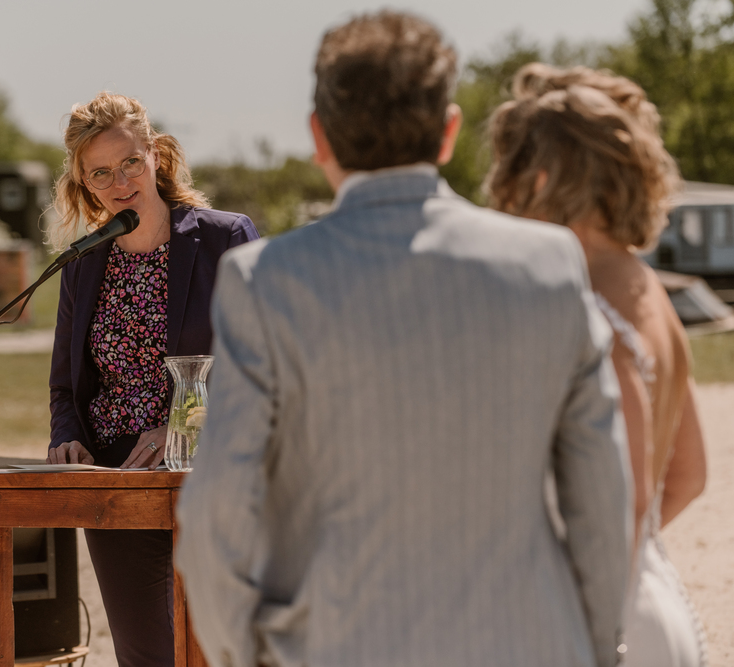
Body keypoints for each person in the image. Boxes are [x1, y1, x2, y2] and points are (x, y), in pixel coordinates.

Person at [175, 11, 632, 667]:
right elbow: (601, 501)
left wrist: (245, 653)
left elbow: (217, 516)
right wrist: (598, 647)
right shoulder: (549, 264)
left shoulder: (265, 281)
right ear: (449, 131)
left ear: (318, 135)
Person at [485, 63, 709, 667]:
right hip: (654, 602)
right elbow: (688, 475)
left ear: (538, 179)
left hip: (600, 624)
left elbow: (625, 498)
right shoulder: (648, 288)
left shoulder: (587, 307)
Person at [45, 91, 259, 667]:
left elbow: (265, 363)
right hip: (114, 483)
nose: (120, 182)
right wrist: (67, 438)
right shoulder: (82, 264)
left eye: (130, 163)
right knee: (146, 654)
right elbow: (65, 386)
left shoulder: (225, 239)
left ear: (156, 156)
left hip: (211, 476)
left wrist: (183, 429)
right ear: (85, 183)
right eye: (101, 173)